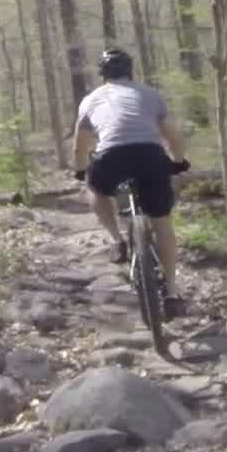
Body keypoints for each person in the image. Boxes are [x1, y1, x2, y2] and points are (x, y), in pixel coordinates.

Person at [71, 47, 191, 318]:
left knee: (96, 188)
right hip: (149, 155)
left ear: (103, 75)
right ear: (130, 71)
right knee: (162, 222)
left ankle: (117, 240)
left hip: (111, 157)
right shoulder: (149, 94)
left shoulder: (90, 100)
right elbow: (171, 133)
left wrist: (81, 170)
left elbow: (79, 145)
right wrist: (180, 160)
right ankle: (172, 292)